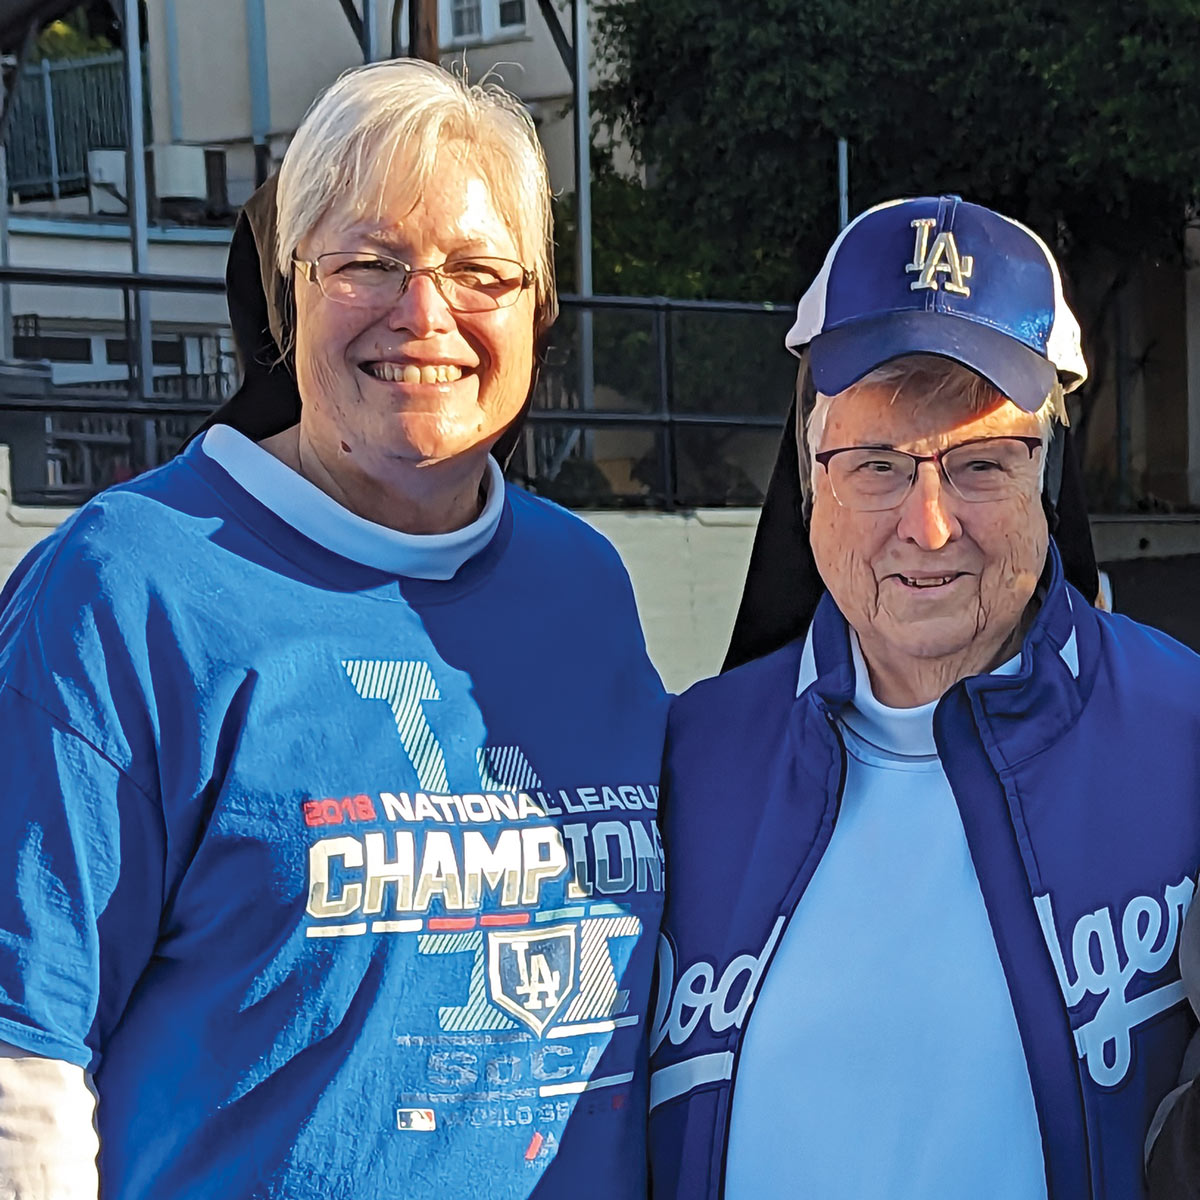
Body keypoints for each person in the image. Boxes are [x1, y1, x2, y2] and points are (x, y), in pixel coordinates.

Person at [0, 60, 667, 1199]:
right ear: (289, 294)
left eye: (478, 272)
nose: (424, 315)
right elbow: (26, 1060)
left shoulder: (584, 587)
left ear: (536, 311)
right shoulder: (125, 588)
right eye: (367, 263)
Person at [647, 195, 1200, 1200]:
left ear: (1047, 482)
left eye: (982, 463)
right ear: (811, 484)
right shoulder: (683, 765)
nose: (930, 525)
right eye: (877, 466)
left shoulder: (1187, 735)